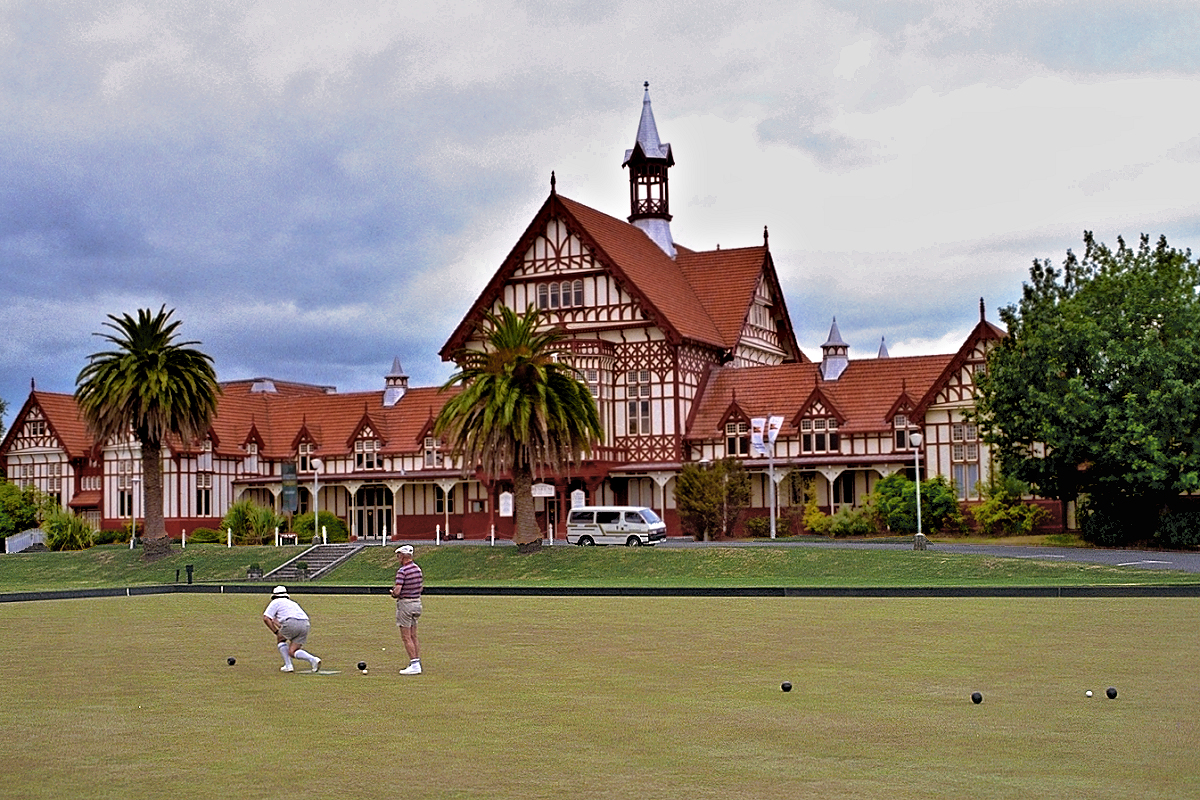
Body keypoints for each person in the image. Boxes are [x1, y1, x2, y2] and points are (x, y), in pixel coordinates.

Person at [262, 585, 321, 673]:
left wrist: (276, 632)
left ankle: (288, 665)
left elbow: (266, 618)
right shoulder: (293, 603)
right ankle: (313, 659)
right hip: (305, 623)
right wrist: (279, 627)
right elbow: (285, 621)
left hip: (291, 622)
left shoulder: (276, 602)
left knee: (281, 640)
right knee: (293, 651)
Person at [391, 545, 423, 675]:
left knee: (406, 636)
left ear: (403, 556)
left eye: (398, 555)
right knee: (413, 635)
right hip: (417, 603)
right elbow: (420, 587)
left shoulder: (402, 571)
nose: (398, 558)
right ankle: (417, 662)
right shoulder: (417, 569)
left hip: (406, 604)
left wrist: (393, 593)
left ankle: (414, 664)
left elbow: (398, 591)